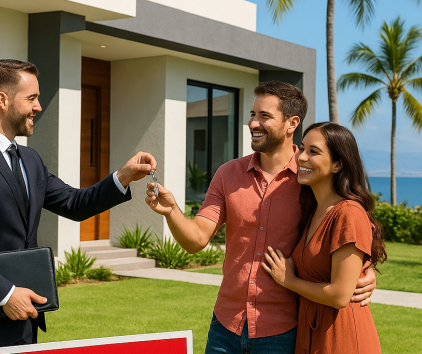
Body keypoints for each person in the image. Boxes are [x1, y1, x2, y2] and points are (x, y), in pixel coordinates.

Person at [0, 59, 157, 354]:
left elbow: (75, 203)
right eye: (32, 98)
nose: (38, 107)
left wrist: (123, 177)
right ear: (3, 99)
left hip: (25, 324)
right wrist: (5, 294)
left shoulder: (30, 160)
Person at [145, 81, 376, 354]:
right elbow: (196, 240)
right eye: (253, 114)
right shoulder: (228, 174)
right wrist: (172, 211)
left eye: (264, 116)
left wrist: (364, 271)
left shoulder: (312, 178)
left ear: (292, 123)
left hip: (284, 331)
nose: (254, 123)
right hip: (225, 326)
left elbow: (347, 223)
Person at [262, 122, 385, 354]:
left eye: (314, 151)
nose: (301, 158)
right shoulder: (314, 210)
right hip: (311, 333)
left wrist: (289, 280)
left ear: (338, 164)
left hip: (341, 337)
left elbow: (340, 295)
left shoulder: (348, 212)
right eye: (302, 149)